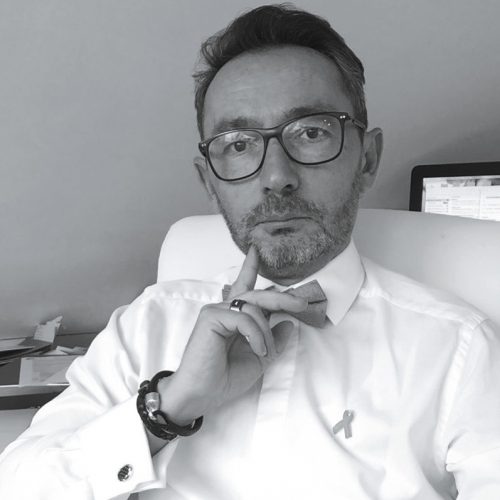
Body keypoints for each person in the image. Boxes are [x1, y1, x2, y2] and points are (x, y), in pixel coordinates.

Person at [1, 4, 500, 499]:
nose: (276, 177)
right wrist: (167, 408)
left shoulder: (459, 350)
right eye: (238, 145)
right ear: (208, 182)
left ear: (367, 160)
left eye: (311, 132)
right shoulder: (147, 322)